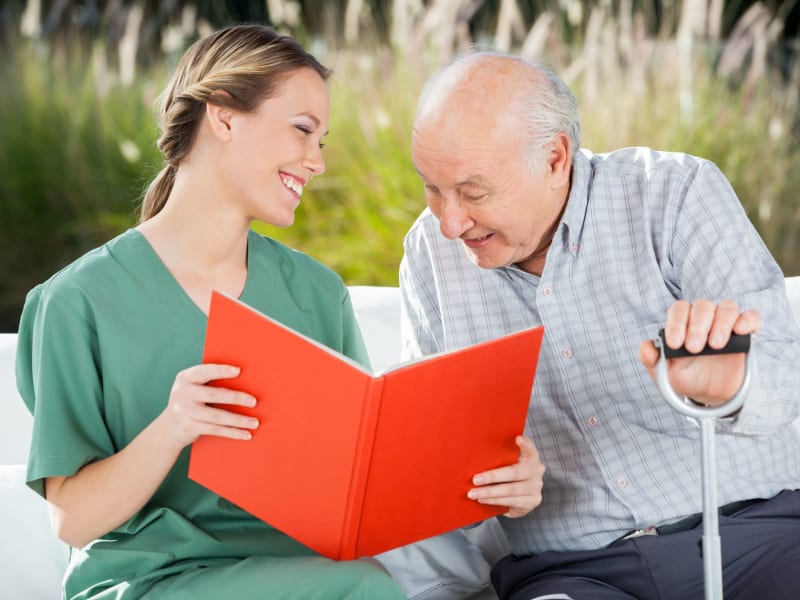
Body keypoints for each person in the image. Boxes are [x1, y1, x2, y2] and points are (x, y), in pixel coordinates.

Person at [14, 24, 410, 600]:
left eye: (321, 140)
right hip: (149, 581)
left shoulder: (318, 294)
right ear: (223, 117)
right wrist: (174, 427)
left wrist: (472, 477)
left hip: (305, 572)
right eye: (302, 130)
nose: (316, 161)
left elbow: (356, 482)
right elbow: (72, 520)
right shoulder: (77, 302)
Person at [398, 50, 800, 599]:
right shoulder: (427, 257)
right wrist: (482, 488)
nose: (449, 222)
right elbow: (431, 458)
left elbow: (783, 374)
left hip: (758, 536)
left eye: (473, 192)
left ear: (556, 157)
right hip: (570, 572)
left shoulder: (676, 194)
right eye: (431, 187)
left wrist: (731, 387)